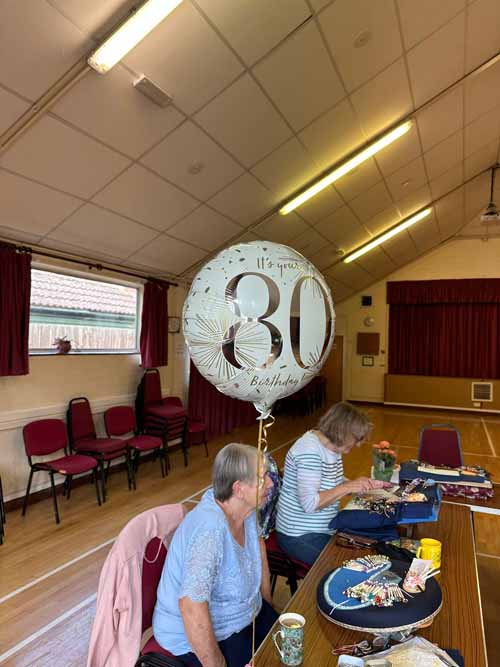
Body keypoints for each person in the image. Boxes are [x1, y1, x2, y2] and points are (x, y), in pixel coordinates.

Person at [153, 443, 277, 667]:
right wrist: (217, 664)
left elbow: (258, 552)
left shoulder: (246, 511)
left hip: (244, 615)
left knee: (288, 647)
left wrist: (265, 609)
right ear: (238, 489)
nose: (270, 483)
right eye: (262, 478)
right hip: (201, 636)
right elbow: (191, 606)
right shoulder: (210, 530)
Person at [276, 401, 389, 566]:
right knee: (353, 566)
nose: (355, 445)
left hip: (323, 529)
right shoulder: (309, 451)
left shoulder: (330, 445)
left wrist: (356, 484)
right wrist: (348, 487)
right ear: (341, 433)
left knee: (371, 549)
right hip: (299, 535)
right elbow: (310, 503)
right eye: (354, 439)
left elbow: (329, 478)